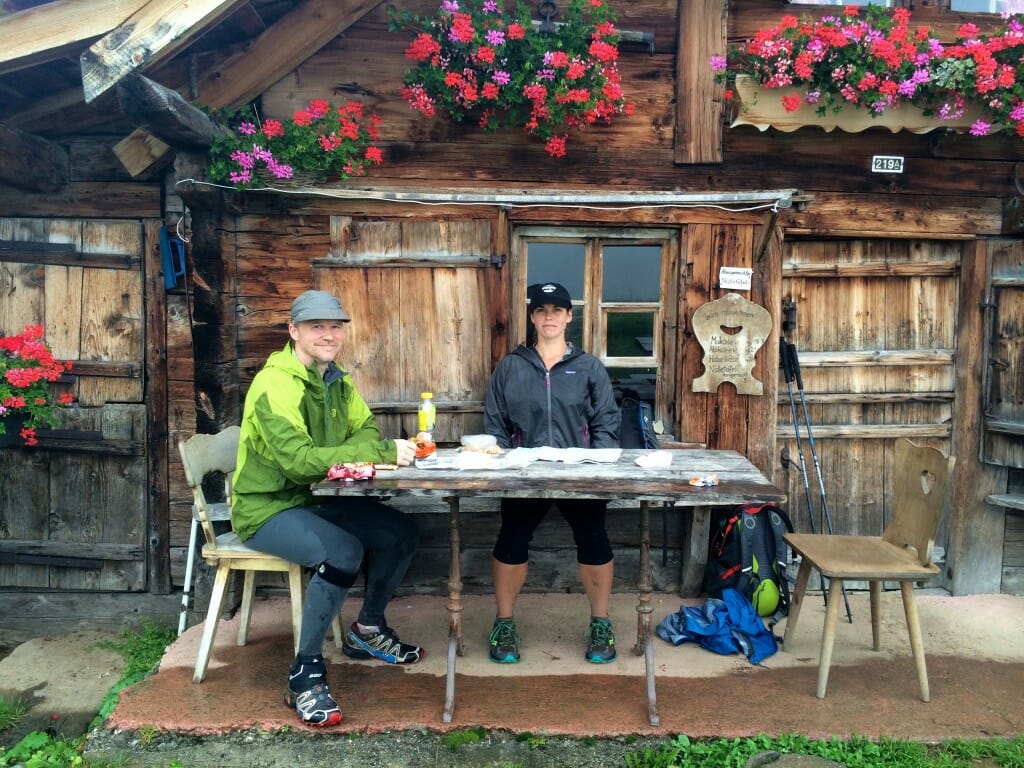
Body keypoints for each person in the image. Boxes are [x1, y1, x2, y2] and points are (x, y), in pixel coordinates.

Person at [231, 289, 424, 728]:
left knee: (401, 533)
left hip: (314, 499)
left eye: (336, 326)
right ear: (293, 330)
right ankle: (305, 674)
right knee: (342, 552)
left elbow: (366, 427)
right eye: (317, 325)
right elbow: (299, 462)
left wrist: (344, 451)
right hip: (266, 509)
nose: (329, 334)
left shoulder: (336, 378)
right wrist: (376, 453)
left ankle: (368, 631)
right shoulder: (275, 384)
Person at [483, 281, 621, 664]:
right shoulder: (511, 366)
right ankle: (505, 623)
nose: (549, 317)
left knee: (594, 539)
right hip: (524, 473)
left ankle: (601, 623)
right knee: (511, 539)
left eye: (557, 310)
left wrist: (598, 467)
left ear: (569, 317)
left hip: (579, 473)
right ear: (532, 316)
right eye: (542, 310)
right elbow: (495, 423)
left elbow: (606, 422)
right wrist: (506, 463)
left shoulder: (588, 367)